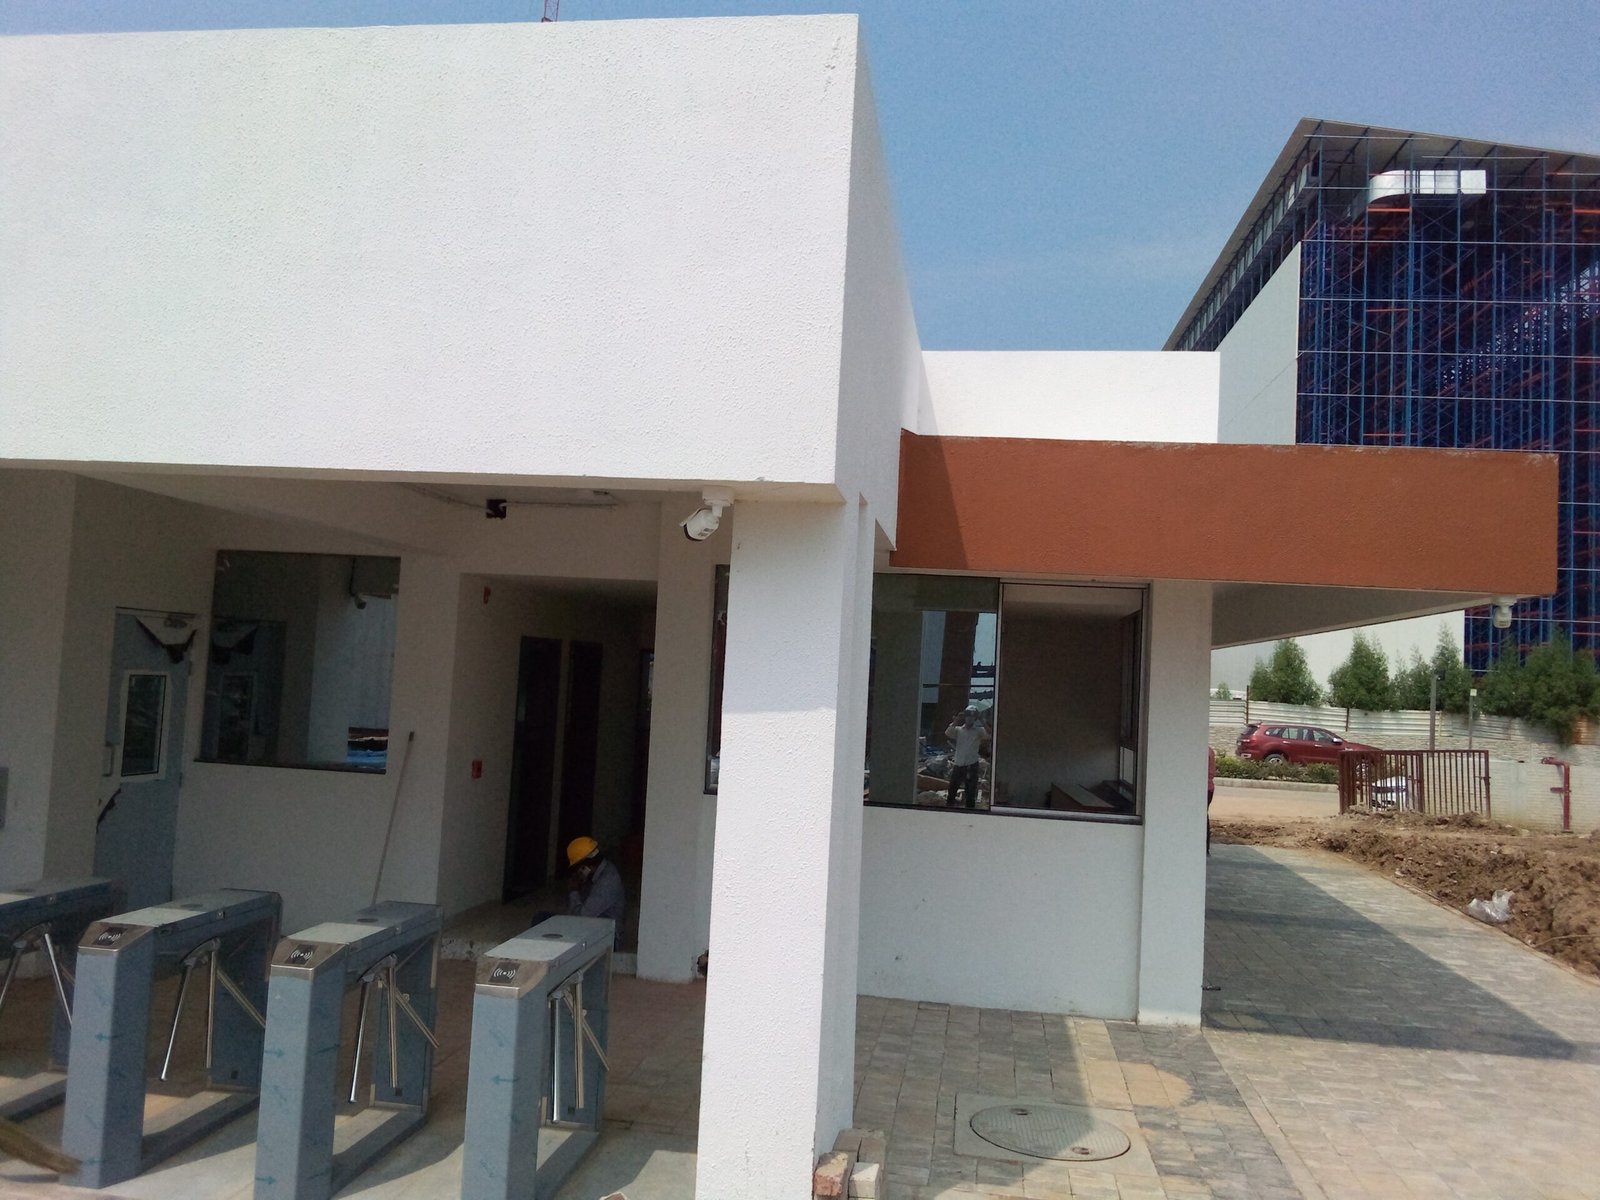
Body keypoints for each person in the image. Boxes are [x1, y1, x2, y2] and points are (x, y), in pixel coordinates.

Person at [563, 836, 626, 926]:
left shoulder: (606, 883)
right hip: (595, 925)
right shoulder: (601, 871)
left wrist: (574, 891)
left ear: (584, 867)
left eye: (577, 867)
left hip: (605, 932)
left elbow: (580, 918)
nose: (577, 872)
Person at [944, 707, 989, 809]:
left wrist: (982, 720)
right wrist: (956, 720)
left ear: (975, 718)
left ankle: (970, 811)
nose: (969, 718)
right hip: (958, 764)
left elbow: (990, 734)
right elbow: (948, 733)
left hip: (971, 765)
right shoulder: (958, 730)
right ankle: (949, 810)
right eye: (967, 715)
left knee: (970, 792)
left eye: (972, 716)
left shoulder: (979, 731)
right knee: (952, 790)